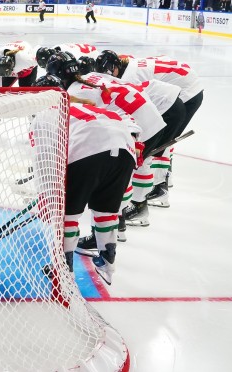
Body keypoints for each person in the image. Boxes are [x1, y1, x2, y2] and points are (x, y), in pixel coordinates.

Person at [46, 52, 174, 237]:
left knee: (117, 176)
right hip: (149, 119)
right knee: (122, 172)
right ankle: (122, 219)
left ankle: (119, 223)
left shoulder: (74, 93)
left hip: (138, 126)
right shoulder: (89, 78)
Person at [32, 74, 138, 285]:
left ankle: (63, 269)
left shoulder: (44, 115)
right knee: (106, 211)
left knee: (67, 215)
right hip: (125, 152)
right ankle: (107, 262)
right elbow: (129, 123)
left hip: (87, 152)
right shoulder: (87, 105)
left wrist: (45, 195)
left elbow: (44, 158)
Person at [94, 51, 201, 209]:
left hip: (187, 93)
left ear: (116, 67)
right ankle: (160, 183)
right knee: (159, 143)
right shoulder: (130, 65)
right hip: (186, 88)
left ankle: (157, 190)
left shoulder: (130, 77)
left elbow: (139, 110)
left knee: (151, 148)